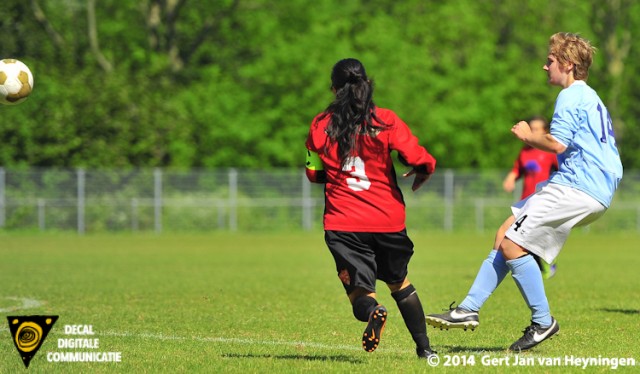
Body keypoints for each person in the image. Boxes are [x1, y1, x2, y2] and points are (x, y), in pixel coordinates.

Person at [426, 32, 623, 352]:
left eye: (550, 61)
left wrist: (529, 136)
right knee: (504, 232)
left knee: (514, 245)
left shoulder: (571, 96)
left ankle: (543, 322)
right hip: (589, 185)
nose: (545, 67)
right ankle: (468, 309)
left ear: (568, 65)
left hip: (578, 185)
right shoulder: (591, 96)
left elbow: (557, 144)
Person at [305, 58, 437, 359]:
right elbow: (416, 156)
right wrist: (424, 168)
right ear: (365, 83)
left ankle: (374, 310)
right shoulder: (385, 119)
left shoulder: (320, 125)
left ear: (334, 88)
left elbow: (314, 173)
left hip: (344, 222)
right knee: (399, 282)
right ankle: (425, 349)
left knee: (360, 294)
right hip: (387, 219)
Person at [502, 116, 558, 200]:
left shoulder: (551, 150)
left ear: (545, 131)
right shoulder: (525, 151)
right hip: (526, 198)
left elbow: (563, 169)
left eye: (536, 129)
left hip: (544, 198)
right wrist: (511, 179)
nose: (533, 132)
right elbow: (517, 169)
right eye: (531, 129)